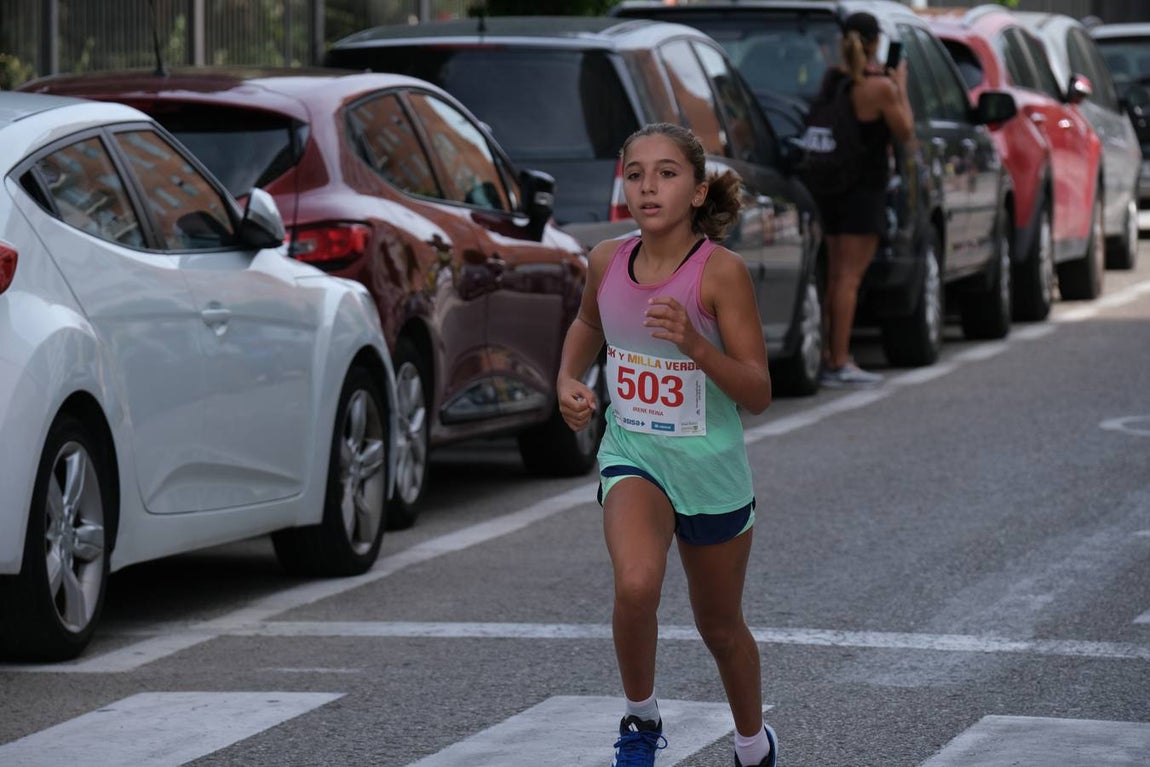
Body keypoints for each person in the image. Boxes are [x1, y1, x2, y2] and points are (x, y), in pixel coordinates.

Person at [555, 122, 776, 767]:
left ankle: (751, 744)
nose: (649, 186)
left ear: (699, 191)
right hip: (635, 454)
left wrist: (695, 345)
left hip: (711, 471)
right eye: (635, 174)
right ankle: (641, 720)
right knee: (636, 584)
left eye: (667, 173)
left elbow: (758, 391)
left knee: (720, 627)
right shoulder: (606, 260)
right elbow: (588, 322)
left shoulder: (721, 274)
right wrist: (568, 379)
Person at [815, 11, 914, 388]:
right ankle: (840, 360)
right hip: (864, 192)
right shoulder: (879, 88)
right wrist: (900, 85)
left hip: (830, 188)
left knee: (834, 276)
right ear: (875, 43)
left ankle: (828, 354)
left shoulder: (832, 80)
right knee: (849, 279)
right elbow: (905, 133)